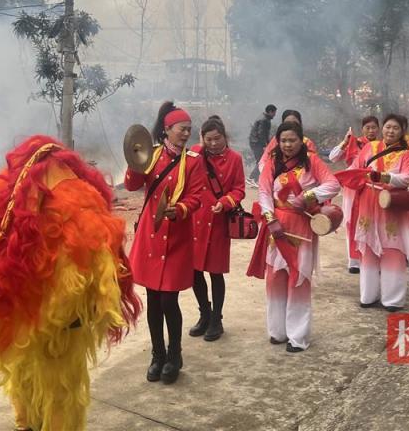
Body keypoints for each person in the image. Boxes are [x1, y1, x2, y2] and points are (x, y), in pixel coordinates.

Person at [126, 102, 205, 384]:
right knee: (153, 300)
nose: (186, 134)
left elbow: (196, 197)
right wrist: (135, 160)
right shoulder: (152, 155)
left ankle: (175, 355)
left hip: (177, 238)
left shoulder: (194, 161)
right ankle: (157, 355)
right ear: (167, 130)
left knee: (169, 300)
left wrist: (180, 209)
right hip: (152, 234)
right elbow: (134, 185)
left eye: (188, 130)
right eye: (182, 129)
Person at [247, 122, 339, 351]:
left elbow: (333, 185)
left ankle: (298, 337)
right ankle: (277, 331)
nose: (288, 144)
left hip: (301, 227)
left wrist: (308, 195)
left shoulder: (313, 162)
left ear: (301, 142)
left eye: (292, 140)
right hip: (276, 227)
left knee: (299, 278)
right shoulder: (271, 163)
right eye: (284, 140)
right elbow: (264, 192)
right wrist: (270, 219)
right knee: (275, 277)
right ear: (278, 141)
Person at [349, 114, 409, 311]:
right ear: (383, 128)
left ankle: (393, 299)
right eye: (388, 127)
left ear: (402, 132)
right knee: (368, 248)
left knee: (392, 249)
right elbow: (355, 168)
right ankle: (368, 296)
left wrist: (385, 177)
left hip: (390, 204)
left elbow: (407, 178)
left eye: (395, 128)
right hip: (368, 203)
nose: (390, 131)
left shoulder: (406, 154)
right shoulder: (370, 148)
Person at [189, 116, 245, 342]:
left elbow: (240, 188)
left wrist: (227, 202)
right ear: (202, 139)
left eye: (217, 139)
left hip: (219, 221)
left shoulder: (235, 159)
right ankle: (205, 313)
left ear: (225, 137)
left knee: (216, 271)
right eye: (208, 139)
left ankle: (216, 319)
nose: (213, 144)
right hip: (194, 218)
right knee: (194, 271)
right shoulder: (194, 153)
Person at [329, 115, 380, 273]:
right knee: (352, 222)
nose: (371, 131)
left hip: (373, 189)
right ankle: (354, 261)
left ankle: (371, 257)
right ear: (362, 129)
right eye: (367, 127)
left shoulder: (382, 146)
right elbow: (333, 157)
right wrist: (345, 142)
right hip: (352, 189)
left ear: (378, 128)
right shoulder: (354, 142)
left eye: (374, 127)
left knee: (372, 221)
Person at [248, 105, 277, 181]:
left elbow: (264, 134)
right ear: (270, 111)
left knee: (260, 160)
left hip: (255, 142)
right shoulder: (264, 120)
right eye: (274, 112)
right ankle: (252, 178)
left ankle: (254, 178)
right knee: (261, 160)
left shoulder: (264, 118)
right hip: (257, 143)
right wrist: (264, 145)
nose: (275, 114)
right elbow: (261, 134)